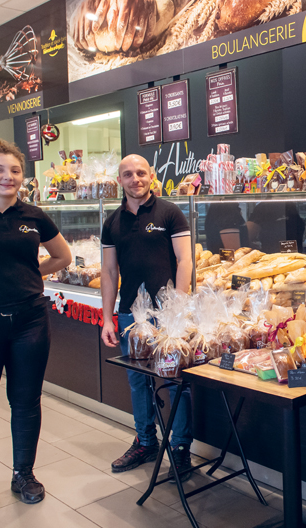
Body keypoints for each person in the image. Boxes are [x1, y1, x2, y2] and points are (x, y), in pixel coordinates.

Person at [0, 140, 71, 513]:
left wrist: (32, 273)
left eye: (15, 170)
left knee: (26, 400)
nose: (8, 176)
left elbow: (63, 256)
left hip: (30, 320)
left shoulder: (34, 215)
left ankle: (24, 474)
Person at [100, 154, 194, 482]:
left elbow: (185, 261)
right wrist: (109, 318)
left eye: (141, 172)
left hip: (168, 315)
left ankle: (181, 449)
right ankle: (145, 441)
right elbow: (109, 272)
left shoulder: (170, 212)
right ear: (120, 180)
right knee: (138, 382)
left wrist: (178, 309)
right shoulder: (112, 221)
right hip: (130, 316)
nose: (135, 178)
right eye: (128, 174)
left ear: (151, 175)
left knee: (174, 381)